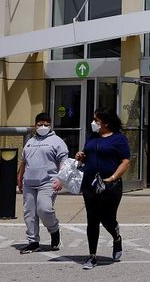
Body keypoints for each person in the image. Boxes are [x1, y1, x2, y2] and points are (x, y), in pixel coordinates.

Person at [76, 109, 131, 269]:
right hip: (90, 184)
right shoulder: (92, 137)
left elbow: (125, 161)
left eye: (96, 120)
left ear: (106, 123)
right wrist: (81, 155)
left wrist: (113, 177)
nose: (93, 123)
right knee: (92, 219)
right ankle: (92, 256)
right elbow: (87, 154)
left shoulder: (119, 139)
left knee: (107, 219)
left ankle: (116, 238)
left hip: (110, 185)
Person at [17, 112, 68, 254]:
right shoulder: (30, 142)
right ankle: (33, 242)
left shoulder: (57, 141)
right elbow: (24, 162)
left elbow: (63, 162)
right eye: (40, 124)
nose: (43, 126)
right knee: (29, 213)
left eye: (46, 124)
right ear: (35, 125)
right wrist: (20, 178)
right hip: (29, 183)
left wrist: (60, 178)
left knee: (44, 209)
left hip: (48, 182)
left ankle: (54, 231)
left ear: (51, 125)